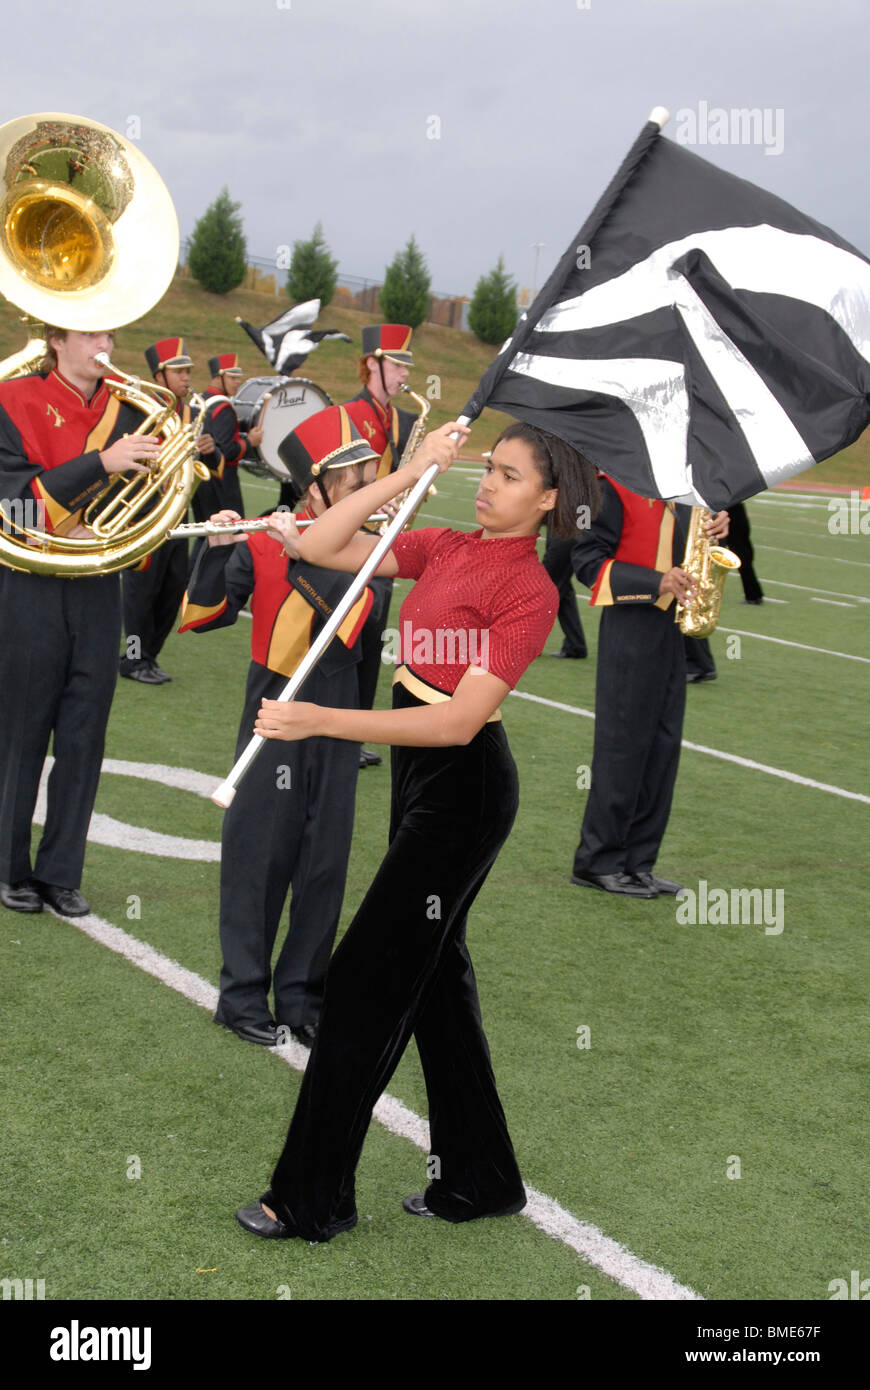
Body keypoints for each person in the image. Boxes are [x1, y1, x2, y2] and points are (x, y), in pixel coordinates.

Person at [233, 418, 599, 1243]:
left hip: (462, 793)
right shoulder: (445, 545)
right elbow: (322, 543)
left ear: (547, 501)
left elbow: (459, 724)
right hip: (419, 781)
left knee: (364, 977)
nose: (490, 482)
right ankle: (480, 1177)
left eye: (509, 476)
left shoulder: (529, 590)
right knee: (434, 981)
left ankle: (310, 1199)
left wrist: (318, 719)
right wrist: (410, 471)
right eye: (489, 468)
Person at [178, 407, 379, 1048]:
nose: (371, 487)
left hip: (338, 710)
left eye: (371, 472)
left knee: (324, 860)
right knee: (261, 853)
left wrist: (301, 552)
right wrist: (219, 548)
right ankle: (241, 995)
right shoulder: (266, 539)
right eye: (355, 478)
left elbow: (352, 632)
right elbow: (203, 616)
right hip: (273, 704)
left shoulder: (374, 552)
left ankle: (302, 997)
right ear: (313, 488)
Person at [0, 327, 160, 916]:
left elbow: (150, 500)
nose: (106, 344)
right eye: (91, 332)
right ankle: (8, 866)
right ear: (56, 340)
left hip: (96, 588)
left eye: (111, 333)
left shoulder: (131, 410)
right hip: (28, 585)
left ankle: (60, 871)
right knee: (21, 732)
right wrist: (102, 463)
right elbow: (11, 504)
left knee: (84, 733)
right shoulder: (11, 399)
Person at [570, 477, 729, 899]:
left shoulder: (690, 492)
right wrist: (655, 581)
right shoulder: (612, 487)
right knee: (623, 743)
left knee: (662, 745)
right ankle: (598, 861)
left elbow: (689, 548)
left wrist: (715, 526)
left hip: (671, 627)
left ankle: (639, 863)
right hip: (631, 621)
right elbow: (586, 561)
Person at [342, 325, 418, 768]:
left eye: (408, 366)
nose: (404, 374)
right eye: (396, 364)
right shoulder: (349, 413)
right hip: (353, 538)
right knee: (347, 639)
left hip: (382, 541)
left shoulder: (397, 418)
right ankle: (337, 731)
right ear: (372, 362)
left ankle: (356, 735)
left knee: (371, 642)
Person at [118, 337, 203, 685]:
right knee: (140, 596)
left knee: (172, 591)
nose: (186, 377)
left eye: (187, 371)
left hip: (176, 517)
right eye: (178, 371)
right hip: (145, 515)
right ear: (159, 374)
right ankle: (134, 658)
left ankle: (149, 656)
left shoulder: (191, 412)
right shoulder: (143, 408)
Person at [191, 352, 264, 523]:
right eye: (232, 377)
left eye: (238, 377)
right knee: (230, 534)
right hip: (221, 484)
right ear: (218, 378)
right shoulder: (223, 408)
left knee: (205, 535)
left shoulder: (198, 401)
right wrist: (249, 442)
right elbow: (226, 451)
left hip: (199, 482)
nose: (238, 382)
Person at [542, 524, 588, 658]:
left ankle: (529, 643)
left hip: (565, 534)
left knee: (543, 588)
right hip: (560, 533)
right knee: (563, 592)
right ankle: (575, 646)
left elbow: (584, 508)